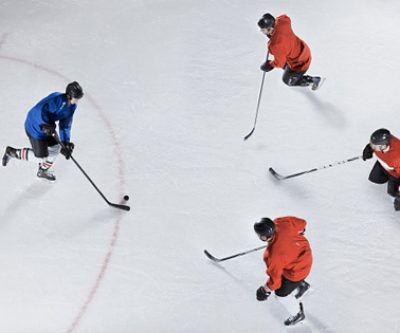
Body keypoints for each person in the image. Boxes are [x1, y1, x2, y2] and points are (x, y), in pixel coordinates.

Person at [2, 81, 84, 182]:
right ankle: (12, 152)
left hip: (48, 127)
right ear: (69, 96)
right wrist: (44, 124)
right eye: (76, 98)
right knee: (41, 157)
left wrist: (65, 142)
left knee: (55, 149)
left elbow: (66, 124)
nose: (77, 100)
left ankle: (42, 171)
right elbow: (38, 110)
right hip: (35, 126)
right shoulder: (57, 99)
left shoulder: (72, 106)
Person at [254, 216, 312, 326]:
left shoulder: (273, 255)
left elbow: (275, 282)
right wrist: (299, 232)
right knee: (286, 268)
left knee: (281, 294)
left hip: (297, 272)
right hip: (306, 257)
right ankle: (302, 285)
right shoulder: (281, 222)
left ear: (263, 237)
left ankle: (297, 314)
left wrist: (264, 291)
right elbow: (303, 223)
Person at [257, 13, 323, 90]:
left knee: (287, 80)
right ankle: (294, 73)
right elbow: (285, 17)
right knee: (285, 63)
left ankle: (313, 80)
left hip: (300, 62)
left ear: (270, 28)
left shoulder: (275, 44)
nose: (261, 31)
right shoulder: (282, 22)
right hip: (303, 48)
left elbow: (279, 63)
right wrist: (273, 31)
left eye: (263, 30)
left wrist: (269, 64)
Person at [362, 128, 400, 210]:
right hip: (383, 165)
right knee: (375, 179)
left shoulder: (397, 158)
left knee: (392, 193)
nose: (373, 147)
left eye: (374, 146)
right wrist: (369, 148)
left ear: (384, 146)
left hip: (395, 174)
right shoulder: (380, 145)